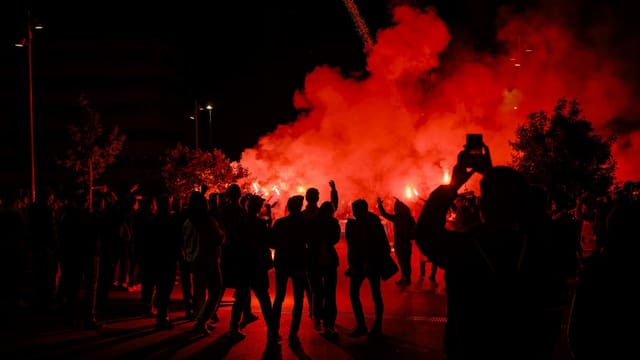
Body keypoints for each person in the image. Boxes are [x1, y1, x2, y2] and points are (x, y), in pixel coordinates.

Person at [415, 141, 569, 359]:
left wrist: (454, 184)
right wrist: (492, 175)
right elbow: (536, 220)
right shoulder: (542, 244)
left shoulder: (467, 248)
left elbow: (426, 234)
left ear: (483, 205)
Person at [345, 199, 391, 339]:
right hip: (363, 264)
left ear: (361, 210)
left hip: (368, 264)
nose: (353, 212)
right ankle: (370, 326)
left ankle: (369, 326)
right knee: (372, 294)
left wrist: (368, 261)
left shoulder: (368, 223)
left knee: (367, 294)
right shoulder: (366, 222)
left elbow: (377, 245)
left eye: (355, 210)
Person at [377, 197, 416, 285]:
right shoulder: (410, 218)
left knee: (402, 262)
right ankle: (407, 278)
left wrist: (380, 204)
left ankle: (404, 278)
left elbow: (384, 214)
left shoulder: (397, 217)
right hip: (407, 243)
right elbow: (415, 229)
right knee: (407, 261)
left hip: (399, 243)